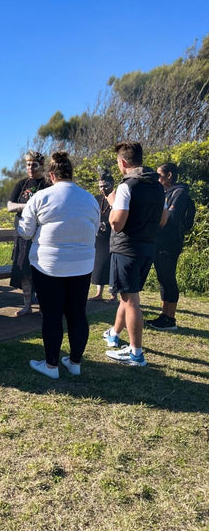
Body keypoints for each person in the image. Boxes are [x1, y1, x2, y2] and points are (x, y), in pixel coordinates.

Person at [17, 151, 100, 379]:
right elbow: (94, 228)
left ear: (51, 175)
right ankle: (75, 362)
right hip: (82, 265)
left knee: (52, 316)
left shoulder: (41, 197)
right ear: (71, 174)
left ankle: (51, 365)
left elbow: (25, 232)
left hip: (48, 266)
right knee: (77, 315)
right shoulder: (89, 198)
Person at [103, 142, 167, 367]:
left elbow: (117, 224)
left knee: (131, 300)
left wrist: (112, 204)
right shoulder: (158, 186)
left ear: (123, 162)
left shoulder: (126, 186)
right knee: (129, 295)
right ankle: (114, 334)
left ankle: (136, 354)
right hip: (148, 246)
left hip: (127, 248)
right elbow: (162, 220)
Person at [147, 162, 194, 331]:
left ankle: (170, 318)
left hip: (170, 242)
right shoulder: (166, 192)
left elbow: (170, 219)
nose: (157, 178)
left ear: (169, 175)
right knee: (162, 279)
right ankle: (163, 315)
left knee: (168, 278)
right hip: (160, 242)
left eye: (159, 175)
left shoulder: (179, 193)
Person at [7, 151, 50, 315]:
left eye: (34, 164)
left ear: (41, 165)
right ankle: (27, 305)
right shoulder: (22, 184)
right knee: (24, 269)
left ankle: (44, 305)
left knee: (41, 270)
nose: (30, 168)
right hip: (22, 234)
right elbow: (10, 206)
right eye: (28, 164)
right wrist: (28, 206)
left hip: (41, 234)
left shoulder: (47, 185)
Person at [90, 170, 117, 302]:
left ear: (112, 184)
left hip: (113, 236)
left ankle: (113, 295)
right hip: (99, 237)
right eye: (100, 186)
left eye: (105, 186)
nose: (103, 189)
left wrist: (108, 224)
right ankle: (99, 293)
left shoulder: (117, 198)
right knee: (99, 264)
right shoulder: (96, 199)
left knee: (112, 265)